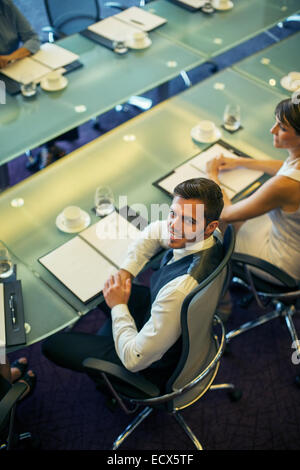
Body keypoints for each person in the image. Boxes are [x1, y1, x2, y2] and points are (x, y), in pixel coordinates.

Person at [42, 177, 224, 391]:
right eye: (173, 213)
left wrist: (119, 306)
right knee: (100, 283)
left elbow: (134, 359)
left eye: (188, 220)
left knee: (52, 345)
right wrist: (126, 271)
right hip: (169, 319)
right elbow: (155, 231)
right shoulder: (210, 238)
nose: (173, 226)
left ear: (210, 226)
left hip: (150, 365)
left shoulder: (179, 289)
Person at [206, 98, 300, 282]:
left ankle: (219, 297)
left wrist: (212, 175)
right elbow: (286, 166)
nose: (272, 130)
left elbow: (226, 213)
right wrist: (240, 162)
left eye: (282, 128)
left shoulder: (283, 186)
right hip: (291, 236)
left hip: (282, 263)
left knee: (212, 223)